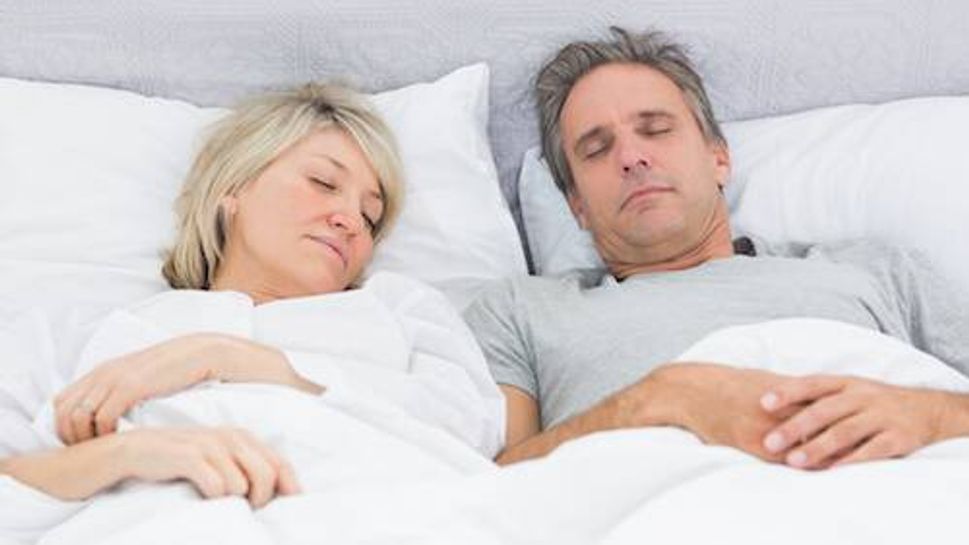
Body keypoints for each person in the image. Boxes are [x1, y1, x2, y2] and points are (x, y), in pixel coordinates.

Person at [463, 27, 969, 468]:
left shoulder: (877, 270)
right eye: (597, 149)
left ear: (719, 158)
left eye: (655, 129)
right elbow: (490, 489)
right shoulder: (521, 313)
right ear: (576, 205)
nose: (632, 157)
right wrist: (654, 402)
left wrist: (926, 413)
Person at [0, 82, 504, 518]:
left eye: (370, 218)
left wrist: (225, 357)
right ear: (233, 186)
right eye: (324, 183)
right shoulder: (95, 328)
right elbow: (11, 482)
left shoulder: (396, 310)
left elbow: (469, 431)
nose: (350, 220)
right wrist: (129, 454)